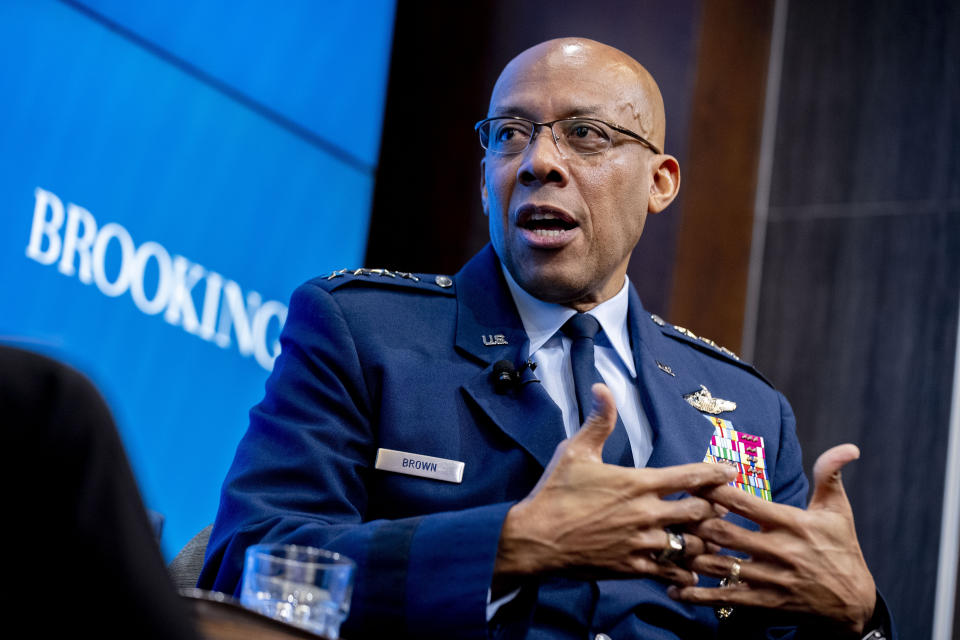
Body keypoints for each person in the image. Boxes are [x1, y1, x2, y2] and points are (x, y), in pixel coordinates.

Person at [200, 38, 893, 638]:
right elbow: (248, 562)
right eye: (509, 134)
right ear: (484, 180)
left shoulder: (750, 412)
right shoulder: (363, 332)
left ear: (660, 182)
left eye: (586, 134)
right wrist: (511, 545)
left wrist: (855, 616)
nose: (538, 162)